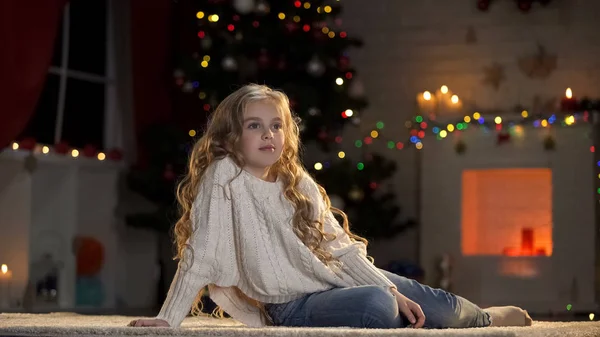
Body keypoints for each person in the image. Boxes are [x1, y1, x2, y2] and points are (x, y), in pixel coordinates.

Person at [128, 84, 533, 329]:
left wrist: (389, 287)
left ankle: (487, 319)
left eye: (276, 125)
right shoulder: (225, 178)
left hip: (336, 281)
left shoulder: (296, 180)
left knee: (430, 304)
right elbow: (201, 255)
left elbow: (339, 247)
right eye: (255, 125)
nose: (269, 134)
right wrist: (168, 318)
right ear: (232, 136)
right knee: (378, 307)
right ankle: (400, 310)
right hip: (291, 305)